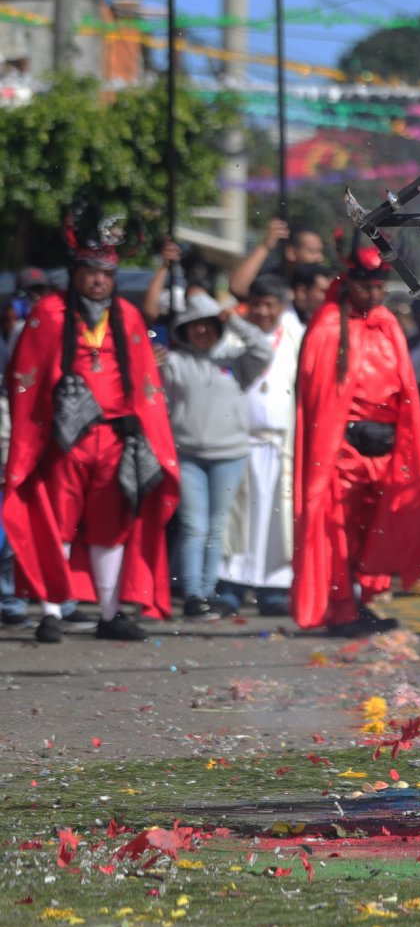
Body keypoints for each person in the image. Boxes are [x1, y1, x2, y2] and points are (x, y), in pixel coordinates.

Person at [1, 218, 179, 642]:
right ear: (75, 273)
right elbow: (23, 377)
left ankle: (110, 613)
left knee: (110, 526)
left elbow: (144, 380)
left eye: (105, 274)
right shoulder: (48, 313)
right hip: (64, 439)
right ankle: (51, 612)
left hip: (116, 436)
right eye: (90, 272)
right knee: (56, 522)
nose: (98, 281)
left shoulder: (129, 316)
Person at [293, 243, 420, 636]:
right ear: (349, 283)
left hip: (385, 446)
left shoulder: (388, 323)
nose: (373, 295)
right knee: (338, 528)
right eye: (366, 287)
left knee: (378, 527)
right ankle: (341, 608)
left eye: (380, 287)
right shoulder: (327, 327)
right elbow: (321, 401)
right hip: (343, 450)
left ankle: (369, 602)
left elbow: (404, 390)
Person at [158, 296, 272, 619]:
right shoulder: (174, 362)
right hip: (188, 456)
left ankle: (208, 592)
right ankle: (193, 594)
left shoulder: (235, 361)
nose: (202, 331)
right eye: (195, 325)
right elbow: (147, 386)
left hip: (230, 456)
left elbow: (263, 350)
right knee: (194, 525)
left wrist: (234, 320)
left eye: (209, 324)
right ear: (185, 330)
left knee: (216, 527)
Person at [219, 276, 303, 617]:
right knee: (237, 514)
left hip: (280, 442)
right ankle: (231, 584)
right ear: (249, 304)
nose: (264, 311)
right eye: (258, 304)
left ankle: (274, 586)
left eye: (271, 305)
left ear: (282, 305)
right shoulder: (232, 334)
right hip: (241, 438)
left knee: (275, 515)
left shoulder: (296, 335)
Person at [228, 218, 326, 304]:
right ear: (291, 253)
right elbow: (238, 287)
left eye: (321, 252)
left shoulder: (324, 281)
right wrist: (265, 246)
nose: (320, 258)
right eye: (313, 252)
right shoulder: (274, 279)